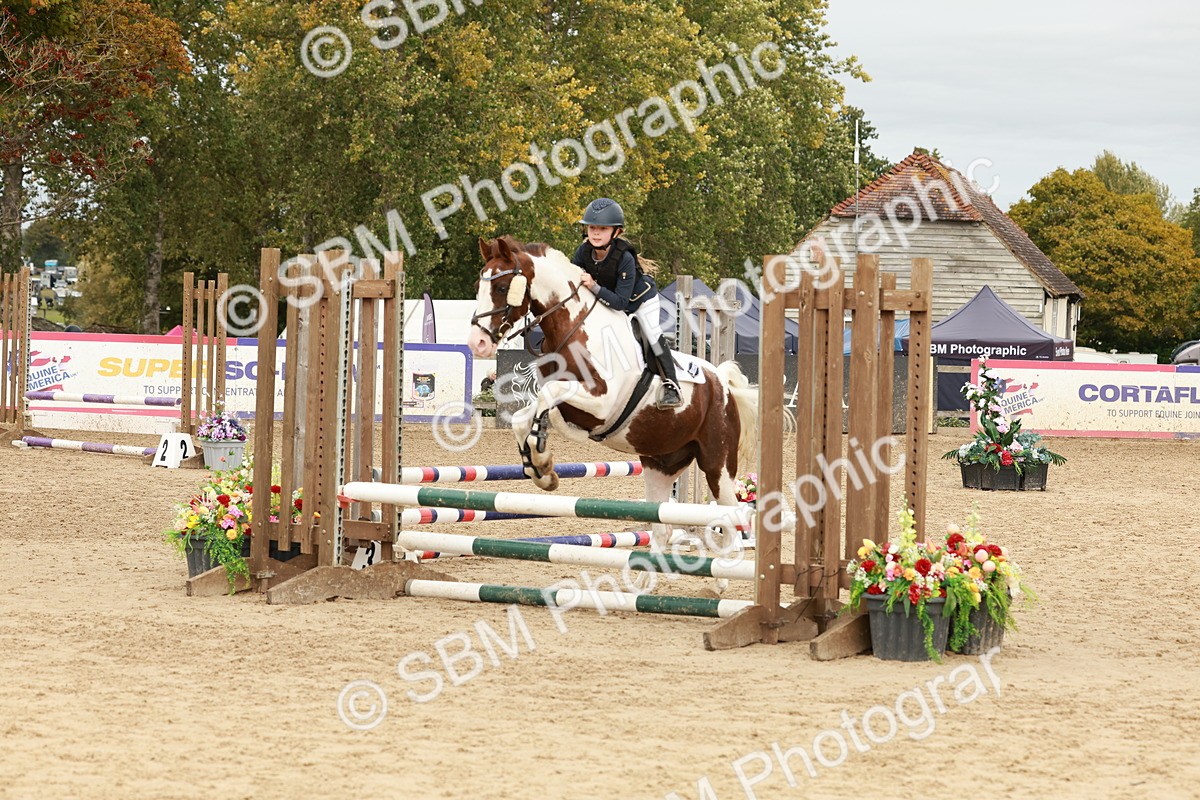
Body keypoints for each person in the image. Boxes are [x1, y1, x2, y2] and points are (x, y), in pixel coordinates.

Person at [571, 197, 681, 409]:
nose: (595, 232)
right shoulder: (582, 251)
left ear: (616, 232)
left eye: (602, 228)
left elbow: (620, 302)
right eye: (592, 227)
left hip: (640, 300)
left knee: (651, 332)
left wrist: (593, 286)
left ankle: (671, 385)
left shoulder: (624, 257)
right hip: (608, 298)